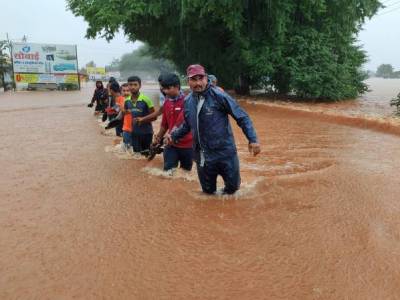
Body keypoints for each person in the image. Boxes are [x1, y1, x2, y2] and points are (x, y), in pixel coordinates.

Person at [168, 64, 261, 195]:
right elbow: (188, 125)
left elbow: (242, 117)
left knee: (233, 189)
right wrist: (174, 136)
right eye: (193, 79)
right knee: (207, 193)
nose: (198, 83)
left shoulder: (219, 96)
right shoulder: (188, 101)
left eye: (200, 78)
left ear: (206, 78)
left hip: (225, 153)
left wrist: (253, 139)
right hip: (203, 155)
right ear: (188, 81)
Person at [153, 73, 193, 171]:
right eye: (163, 88)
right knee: (168, 171)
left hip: (188, 145)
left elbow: (184, 122)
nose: (165, 91)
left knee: (186, 172)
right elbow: (164, 124)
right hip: (171, 145)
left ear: (177, 86)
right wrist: (158, 138)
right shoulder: (167, 102)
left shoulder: (188, 102)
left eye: (168, 88)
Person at [127, 76, 155, 154]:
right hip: (134, 133)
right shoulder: (127, 101)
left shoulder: (146, 99)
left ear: (140, 86)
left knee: (146, 155)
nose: (132, 87)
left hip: (147, 133)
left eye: (135, 85)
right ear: (128, 86)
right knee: (137, 156)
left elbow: (154, 117)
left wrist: (143, 120)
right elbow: (125, 114)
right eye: (130, 85)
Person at [121, 83, 133, 151]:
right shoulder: (122, 101)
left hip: (136, 130)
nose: (126, 93)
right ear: (121, 92)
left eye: (128, 91)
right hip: (126, 129)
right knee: (127, 151)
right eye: (124, 90)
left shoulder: (137, 101)